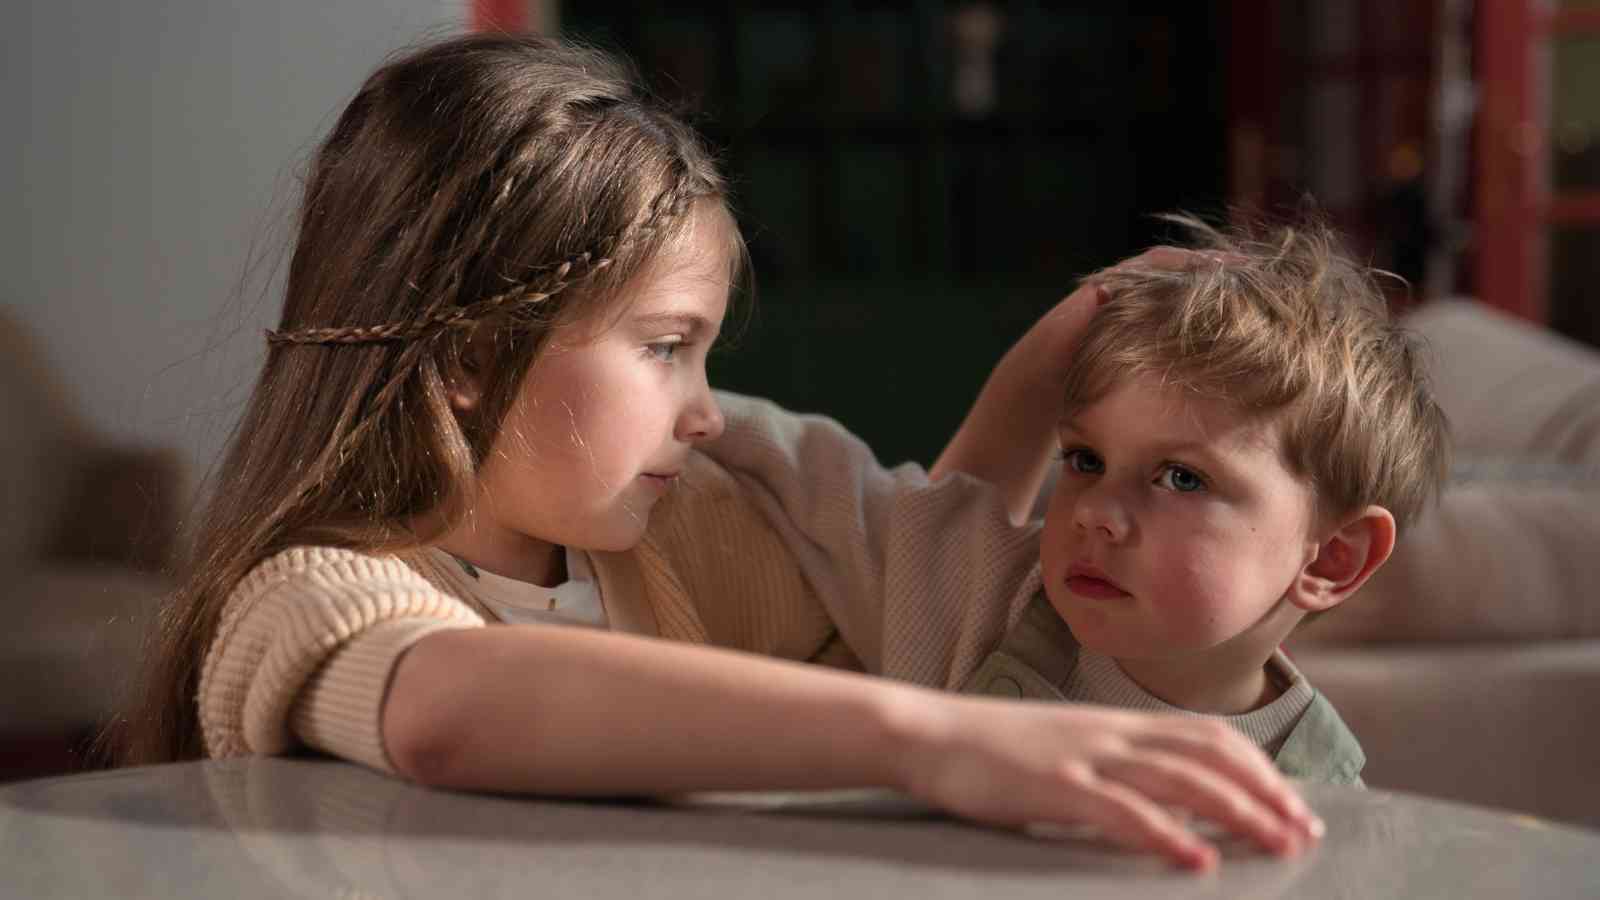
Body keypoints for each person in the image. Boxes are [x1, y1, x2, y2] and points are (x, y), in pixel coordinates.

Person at [113, 33, 1320, 872]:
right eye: (664, 347)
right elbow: (448, 711)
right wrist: (944, 745)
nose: (705, 410)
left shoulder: (692, 540)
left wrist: (1058, 355)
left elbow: (917, 573)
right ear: (474, 354)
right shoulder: (305, 598)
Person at [700, 215, 1451, 786]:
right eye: (1086, 460)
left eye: (1182, 478)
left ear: (1336, 557)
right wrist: (672, 404)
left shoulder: (1321, 786)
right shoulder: (989, 594)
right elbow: (808, 469)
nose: (1093, 509)